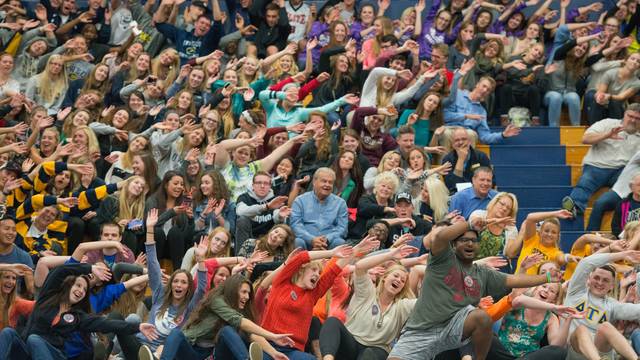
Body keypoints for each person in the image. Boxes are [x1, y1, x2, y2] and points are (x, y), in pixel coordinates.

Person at [388, 219, 562, 360]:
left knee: (480, 317)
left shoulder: (483, 273)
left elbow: (515, 280)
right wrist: (470, 224)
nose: (470, 243)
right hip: (420, 331)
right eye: (464, 240)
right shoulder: (442, 259)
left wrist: (546, 278)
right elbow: (440, 238)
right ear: (454, 245)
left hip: (453, 328)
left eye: (473, 240)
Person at [562, 104, 640, 217]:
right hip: (597, 166)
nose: (633, 120)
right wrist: (607, 135)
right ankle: (574, 209)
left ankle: (630, 214)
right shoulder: (607, 123)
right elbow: (585, 139)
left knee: (633, 182)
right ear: (624, 114)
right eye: (630, 116)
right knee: (585, 182)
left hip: (622, 171)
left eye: (637, 118)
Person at [563, 247, 640, 360]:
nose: (600, 282)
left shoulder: (613, 305)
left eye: (605, 280)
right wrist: (621, 255)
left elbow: (637, 311)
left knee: (606, 326)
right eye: (597, 278)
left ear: (612, 286)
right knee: (581, 329)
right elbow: (586, 263)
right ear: (589, 279)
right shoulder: (576, 292)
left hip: (601, 350)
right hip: (576, 350)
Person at [443, 76, 521, 144]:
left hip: (467, 134)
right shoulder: (457, 94)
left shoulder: (481, 112)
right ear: (477, 84)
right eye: (484, 86)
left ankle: (465, 160)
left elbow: (484, 136)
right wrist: (466, 116)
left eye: (488, 90)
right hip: (450, 128)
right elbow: (444, 116)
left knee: (471, 134)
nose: (484, 90)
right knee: (445, 133)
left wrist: (503, 134)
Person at [290, 167, 348, 250]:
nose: (327, 185)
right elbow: (295, 225)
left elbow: (342, 229)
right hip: (306, 242)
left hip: (328, 244)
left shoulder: (340, 203)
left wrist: (327, 239)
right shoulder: (300, 200)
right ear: (314, 182)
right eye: (324, 181)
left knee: (339, 242)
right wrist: (311, 239)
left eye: (330, 182)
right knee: (297, 242)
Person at [235, 171, 289, 250]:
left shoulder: (275, 199)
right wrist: (266, 206)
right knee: (242, 220)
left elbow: (276, 215)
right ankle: (240, 258)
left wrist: (280, 216)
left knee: (283, 225)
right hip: (249, 236)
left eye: (266, 183)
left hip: (269, 238)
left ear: (270, 186)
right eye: (259, 183)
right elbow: (240, 211)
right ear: (253, 185)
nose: (262, 186)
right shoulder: (244, 197)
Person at [442, 127, 492, 194]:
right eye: (457, 140)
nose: (461, 142)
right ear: (452, 144)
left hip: (479, 193)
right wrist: (461, 159)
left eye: (464, 139)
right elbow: (451, 185)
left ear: (469, 141)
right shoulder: (447, 159)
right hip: (456, 195)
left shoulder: (481, 156)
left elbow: (490, 179)